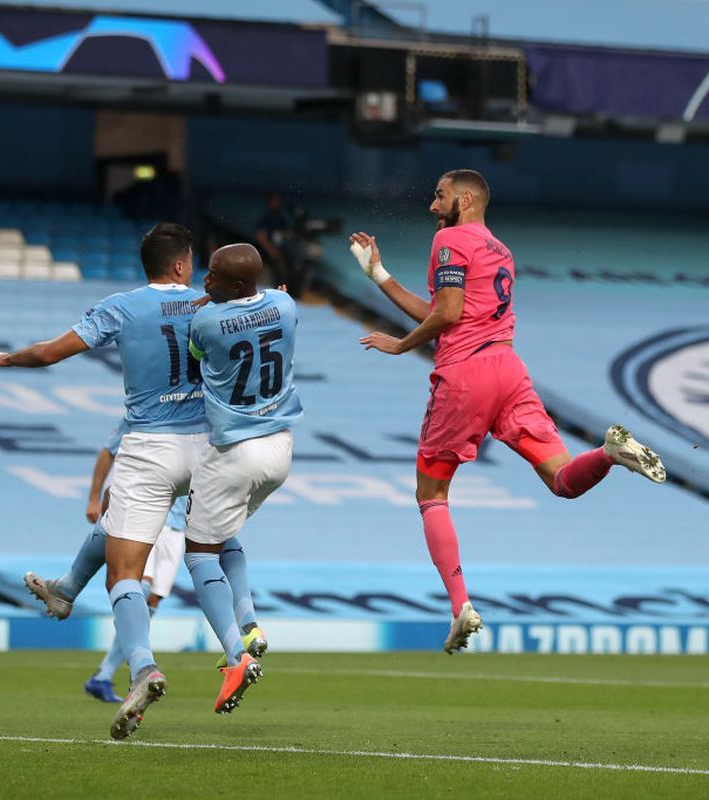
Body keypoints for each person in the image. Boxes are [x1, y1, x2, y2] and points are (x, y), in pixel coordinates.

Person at [348, 168, 666, 654]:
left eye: (440, 196)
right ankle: (608, 453)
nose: (432, 206)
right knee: (562, 480)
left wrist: (401, 345)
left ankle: (460, 606)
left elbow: (448, 315)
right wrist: (379, 275)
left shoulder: (450, 240)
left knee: (431, 493)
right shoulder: (500, 250)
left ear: (465, 199)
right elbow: (444, 309)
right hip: (508, 368)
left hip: (466, 374)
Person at [0, 222, 205, 740]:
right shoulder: (208, 305)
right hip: (207, 449)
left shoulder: (121, 307)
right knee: (122, 520)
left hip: (150, 448)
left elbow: (49, 352)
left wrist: (7, 358)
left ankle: (142, 668)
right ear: (180, 265)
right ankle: (66, 588)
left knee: (123, 575)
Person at [185, 243, 301, 714]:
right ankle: (248, 624)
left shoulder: (206, 321)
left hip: (235, 449)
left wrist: (209, 308)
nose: (205, 279)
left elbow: (195, 356)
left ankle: (236, 658)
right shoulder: (285, 305)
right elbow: (270, 302)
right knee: (223, 535)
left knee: (198, 553)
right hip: (280, 449)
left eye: (213, 274)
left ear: (234, 285)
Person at [24, 417, 189, 704]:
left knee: (152, 602)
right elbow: (108, 451)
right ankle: (137, 669)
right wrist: (93, 497)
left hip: (177, 526)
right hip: (147, 510)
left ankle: (103, 675)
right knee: (139, 585)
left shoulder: (197, 411)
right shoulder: (146, 410)